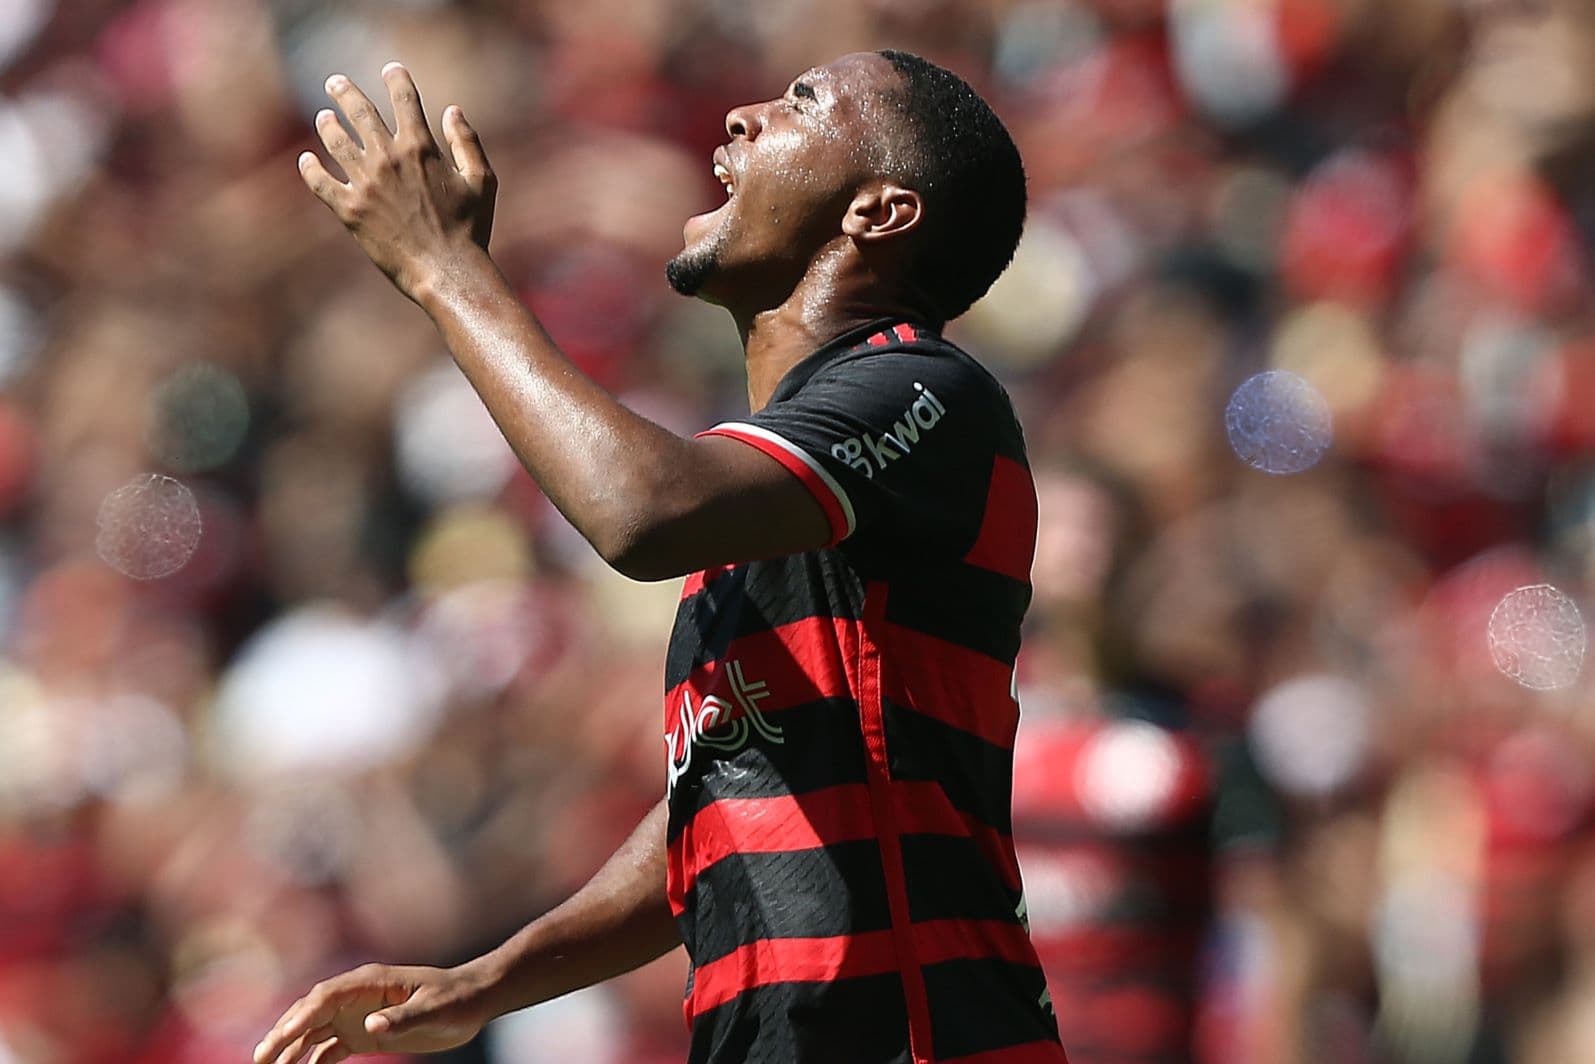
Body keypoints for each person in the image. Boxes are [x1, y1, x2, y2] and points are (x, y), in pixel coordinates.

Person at [253, 49, 1065, 1064]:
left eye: (802, 102)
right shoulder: (772, 500)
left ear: (879, 212)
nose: (740, 114)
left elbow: (638, 511)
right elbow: (720, 792)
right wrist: (487, 979)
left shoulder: (927, 395)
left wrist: (443, 268)